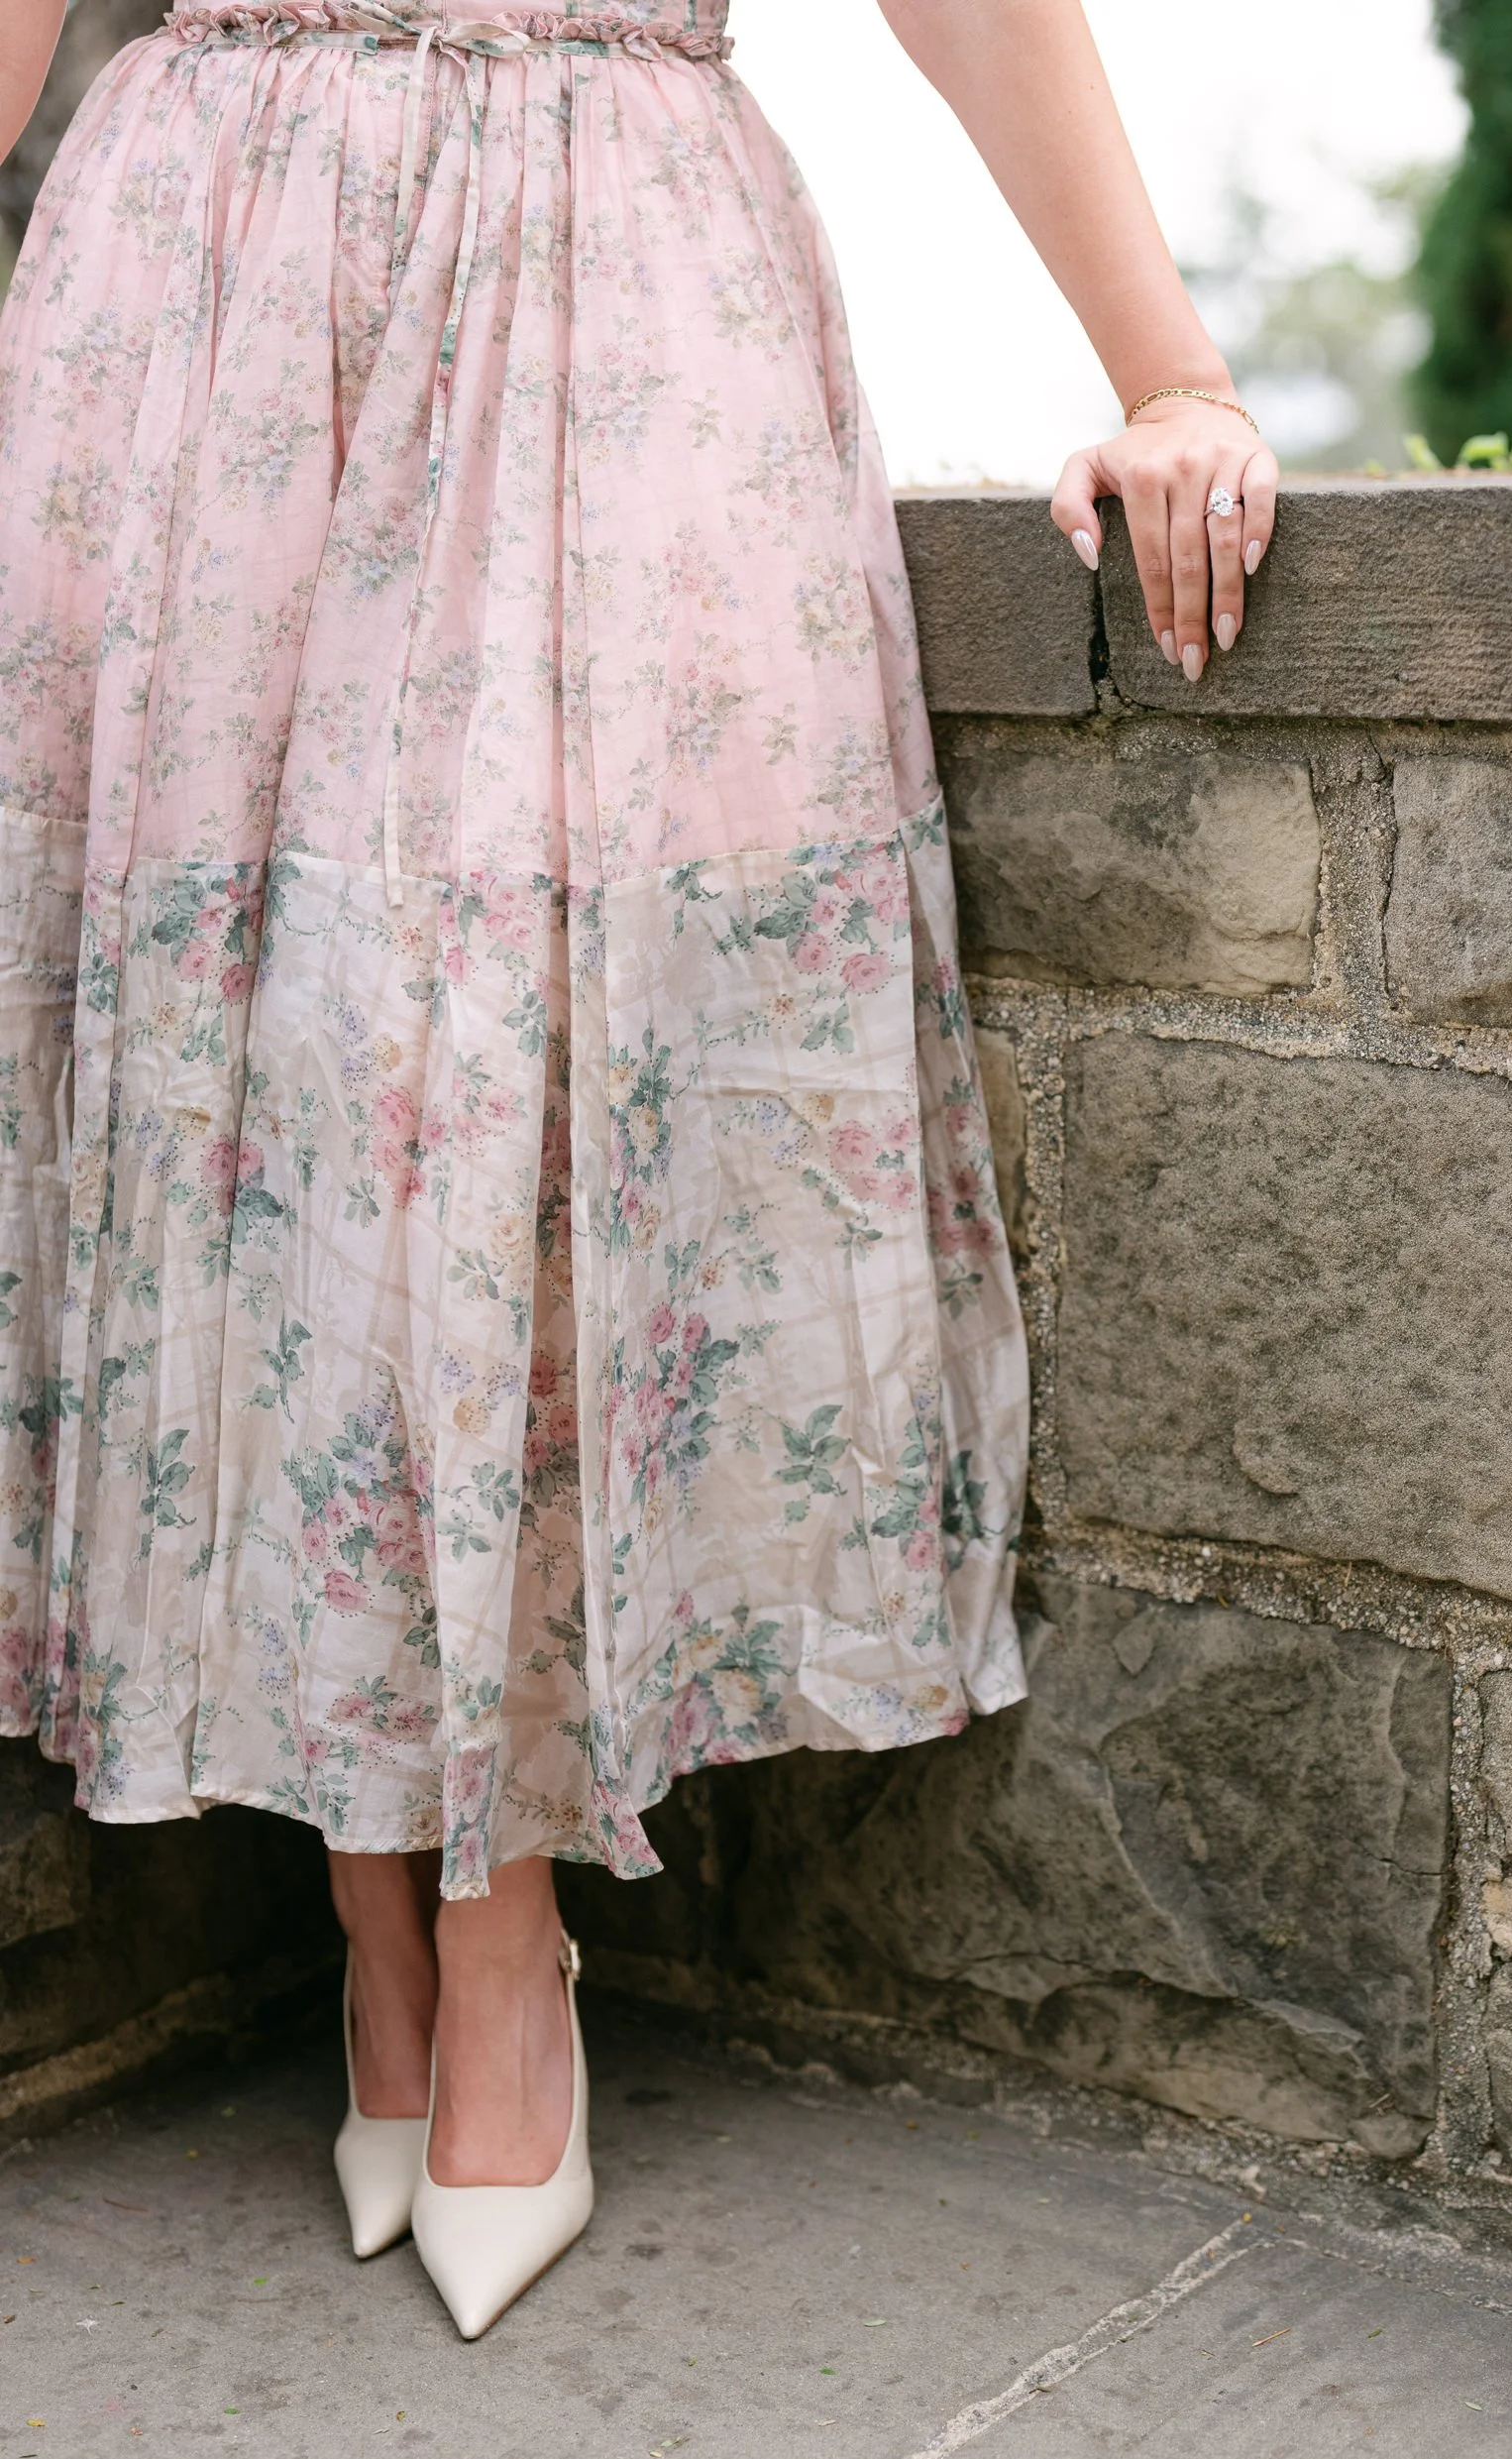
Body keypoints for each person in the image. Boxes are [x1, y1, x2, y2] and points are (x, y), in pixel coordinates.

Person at [0, 0, 1277, 2339]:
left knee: (528, 1076)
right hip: (199, 310)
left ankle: (495, 1931)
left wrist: (1170, 367)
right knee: (257, 1099)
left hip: (603, 280)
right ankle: (383, 1918)